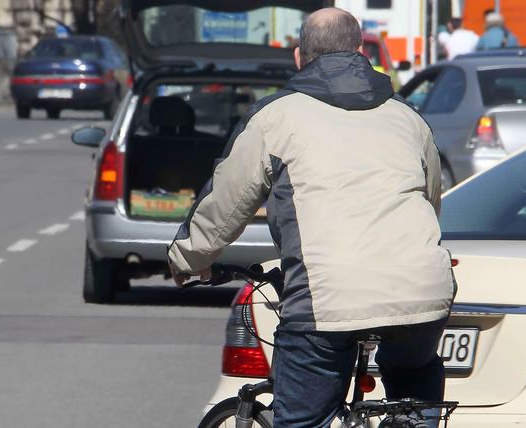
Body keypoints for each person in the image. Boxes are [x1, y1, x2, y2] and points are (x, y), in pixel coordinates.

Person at [167, 7, 455, 428]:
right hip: (422, 289)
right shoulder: (409, 118)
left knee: (302, 417)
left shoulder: (275, 118)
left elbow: (225, 203)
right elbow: (431, 203)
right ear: (361, 51)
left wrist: (187, 259)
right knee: (413, 380)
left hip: (325, 297)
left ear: (299, 57)